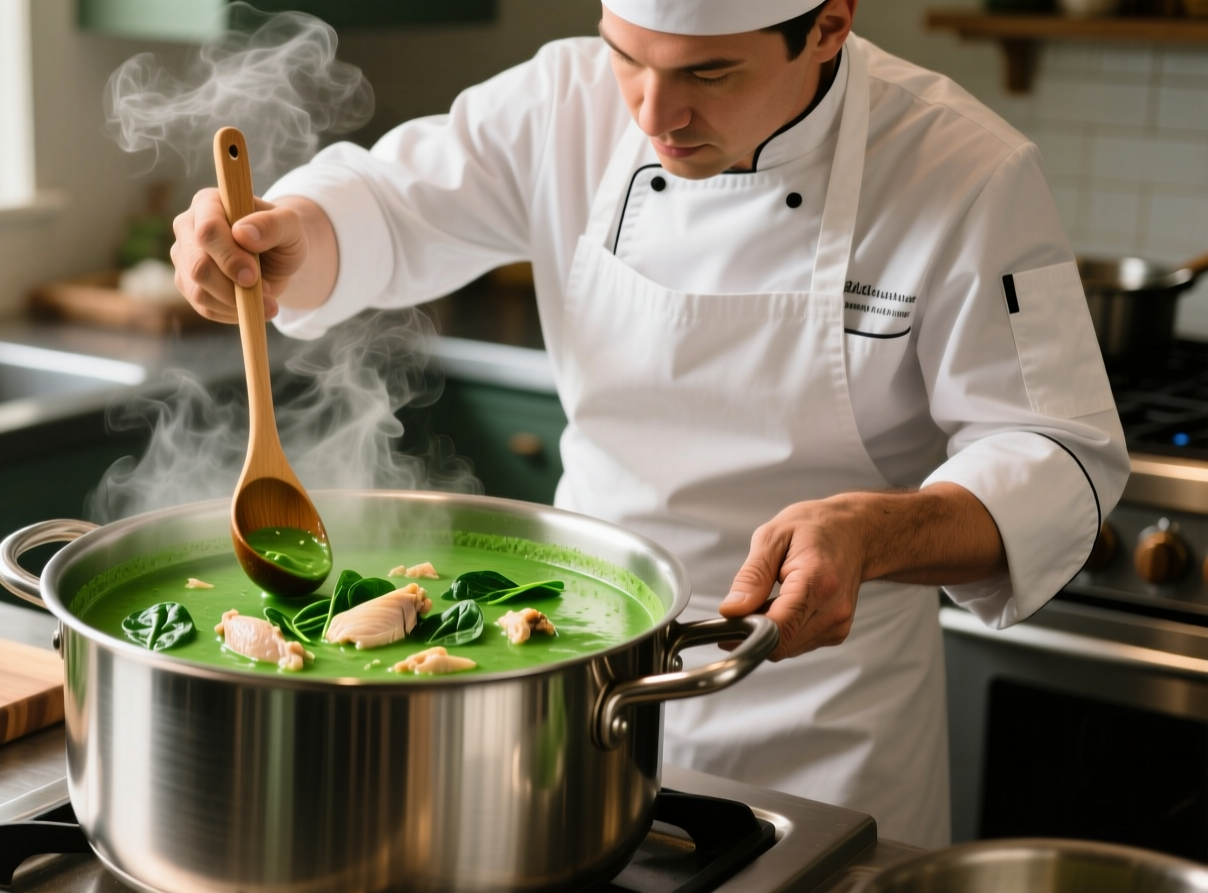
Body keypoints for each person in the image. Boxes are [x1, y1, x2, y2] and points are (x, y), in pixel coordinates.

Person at [168, 0, 1128, 847]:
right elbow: (386, 205)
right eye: (627, 54)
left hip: (829, 717)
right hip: (570, 675)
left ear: (829, 26)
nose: (654, 113)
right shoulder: (564, 102)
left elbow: (1058, 453)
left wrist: (876, 533)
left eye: (709, 73)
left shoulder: (966, 169)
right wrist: (288, 238)